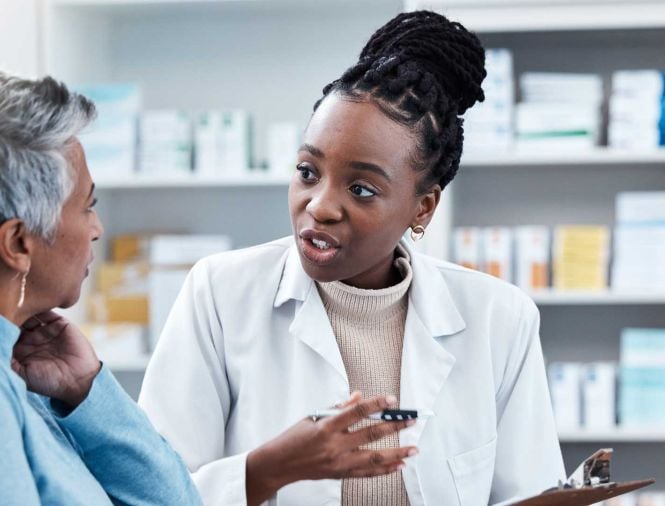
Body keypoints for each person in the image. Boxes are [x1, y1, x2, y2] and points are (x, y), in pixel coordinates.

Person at [139, 10, 566, 506]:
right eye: (307, 171)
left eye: (361, 189)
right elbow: (154, 491)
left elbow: (533, 493)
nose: (318, 205)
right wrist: (268, 470)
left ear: (422, 206)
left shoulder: (499, 318)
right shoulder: (220, 293)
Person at [0, 72, 205, 504]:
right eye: (87, 206)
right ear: (19, 243)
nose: (97, 229)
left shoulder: (24, 369)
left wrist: (87, 391)